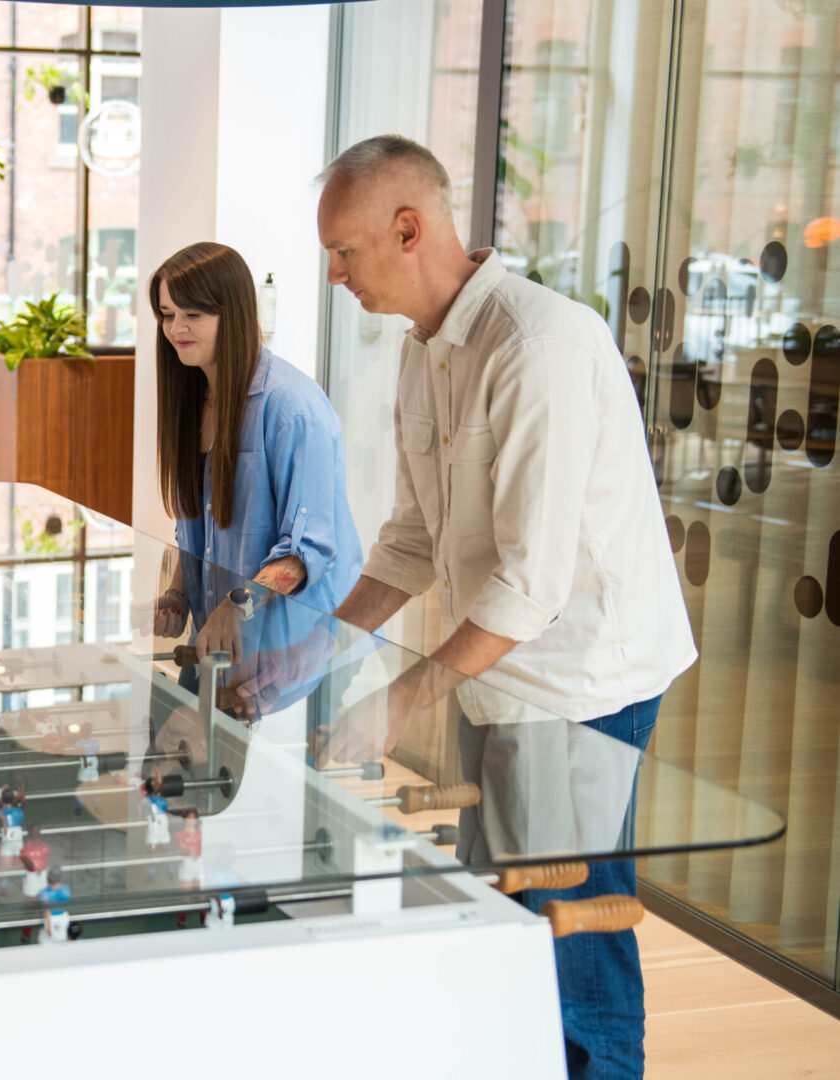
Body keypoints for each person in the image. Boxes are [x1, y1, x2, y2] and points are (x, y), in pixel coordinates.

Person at [315, 135, 696, 1080]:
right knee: (503, 917)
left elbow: (531, 588)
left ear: (409, 229)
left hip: (579, 681)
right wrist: (313, 651)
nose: (334, 275)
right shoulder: (421, 352)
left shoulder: (539, 345)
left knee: (575, 942)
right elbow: (412, 538)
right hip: (498, 674)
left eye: (345, 252)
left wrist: (396, 702)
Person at [145, 242, 362, 670]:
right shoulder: (194, 396)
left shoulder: (291, 408)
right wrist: (178, 594)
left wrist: (238, 605)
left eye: (194, 315)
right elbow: (199, 526)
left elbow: (308, 552)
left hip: (295, 656)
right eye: (168, 315)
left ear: (234, 313)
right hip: (217, 651)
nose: (176, 329)